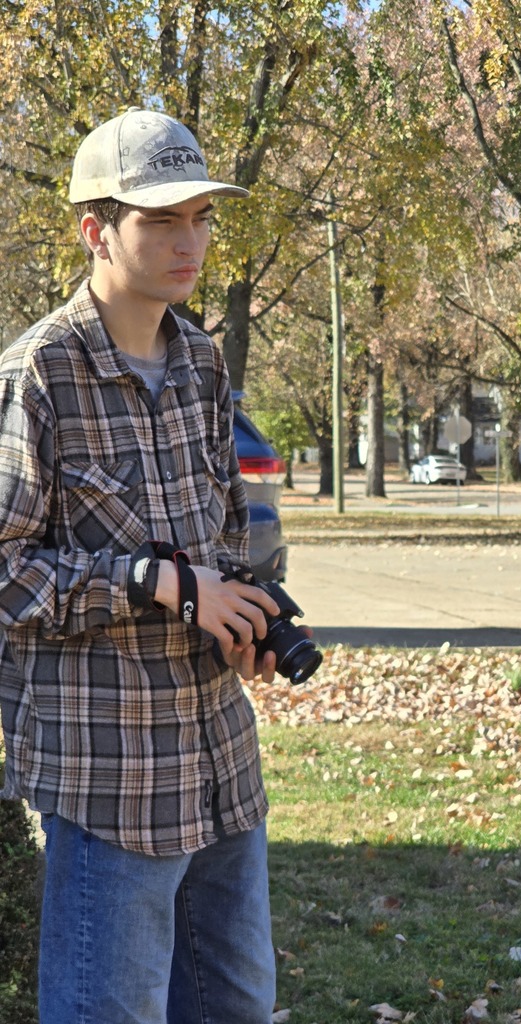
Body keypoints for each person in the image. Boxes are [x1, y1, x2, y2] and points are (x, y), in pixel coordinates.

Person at [0, 107, 287, 1023]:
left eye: (201, 216)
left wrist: (255, 615)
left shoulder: (204, 363)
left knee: (236, 1009)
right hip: (110, 782)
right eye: (162, 219)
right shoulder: (37, 374)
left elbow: (226, 545)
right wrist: (150, 582)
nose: (189, 240)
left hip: (221, 769)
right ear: (97, 230)